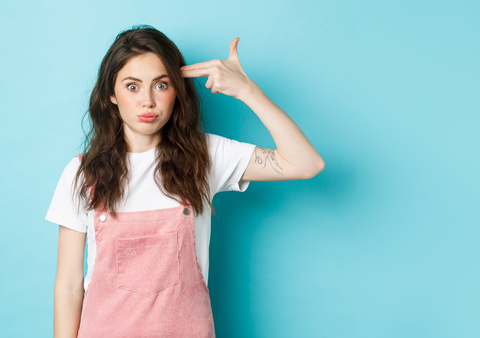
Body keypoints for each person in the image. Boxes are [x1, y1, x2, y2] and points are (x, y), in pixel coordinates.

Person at [46, 25, 324, 337]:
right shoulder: (82, 173)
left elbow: (306, 163)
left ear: (177, 91)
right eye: (132, 86)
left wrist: (247, 90)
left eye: (161, 85)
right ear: (111, 93)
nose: (148, 101)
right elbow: (68, 285)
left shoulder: (206, 156)